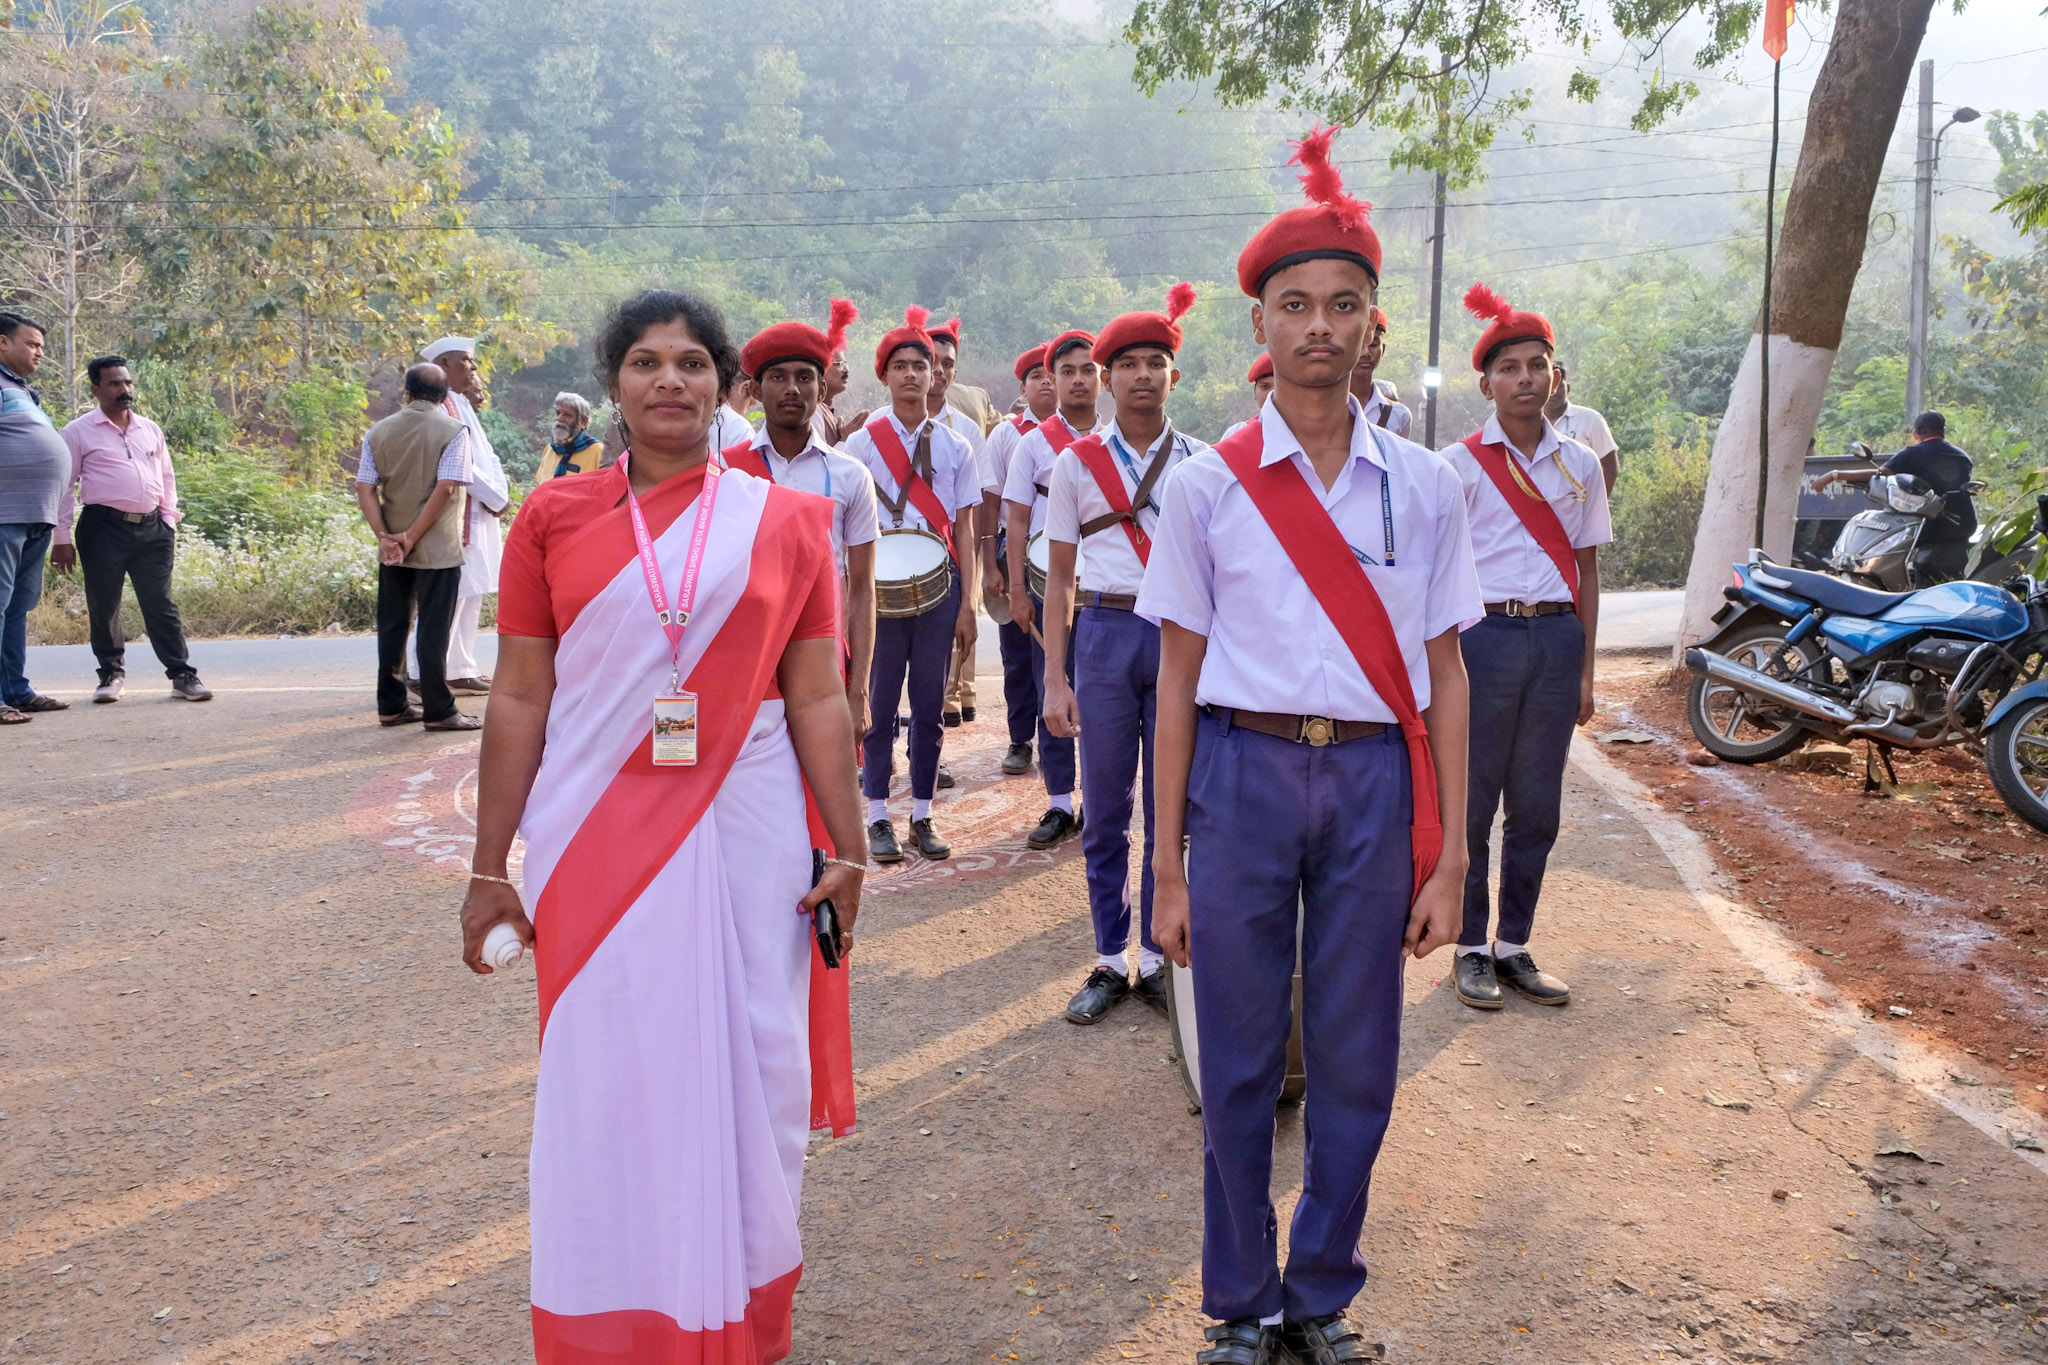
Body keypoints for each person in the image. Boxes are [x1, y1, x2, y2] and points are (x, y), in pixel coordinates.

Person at [460, 288, 862, 1365]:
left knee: (756, 1063)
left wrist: (851, 842)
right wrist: (489, 865)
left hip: (751, 831)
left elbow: (818, 694)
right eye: (645, 363)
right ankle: (615, 1320)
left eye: (690, 362)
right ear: (615, 387)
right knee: (608, 1069)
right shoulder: (553, 517)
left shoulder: (785, 523)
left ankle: (736, 1313)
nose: (668, 381)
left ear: (723, 385)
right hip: (593, 829)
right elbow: (518, 698)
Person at [1137, 126, 1478, 1365]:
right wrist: (1163, 866)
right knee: (1231, 1055)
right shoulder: (1204, 487)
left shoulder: (1427, 484)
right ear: (1261, 330)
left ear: (1372, 326)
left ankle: (1320, 1293)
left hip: (1377, 784)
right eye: (1295, 307)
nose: (1319, 327)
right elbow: (1173, 675)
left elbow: (1443, 672)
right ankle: (1237, 1301)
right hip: (1241, 770)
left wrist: (1448, 862)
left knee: (1356, 1051)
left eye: (1343, 306)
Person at [1441, 284, 1609, 1013]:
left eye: (1537, 365)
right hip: (1485, 638)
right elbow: (1436, 572)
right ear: (1486, 383)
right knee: (1474, 800)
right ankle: (1471, 946)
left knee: (1537, 803)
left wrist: (1586, 669)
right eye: (1509, 368)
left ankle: (1515, 944)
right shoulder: (1460, 463)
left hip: (1556, 636)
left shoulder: (1580, 462)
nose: (1525, 379)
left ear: (1555, 373)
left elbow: (1589, 569)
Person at [1040, 286, 1206, 1025]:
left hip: (1178, 638)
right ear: (1106, 378)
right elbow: (1061, 578)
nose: (1142, 375)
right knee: (1106, 807)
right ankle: (1111, 958)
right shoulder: (1075, 464)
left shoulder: (1204, 464)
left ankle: (1164, 953)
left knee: (1172, 806)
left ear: (1175, 375)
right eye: (1128, 364)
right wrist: (1055, 674)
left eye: (1156, 362)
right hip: (1103, 637)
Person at [845, 307, 980, 863]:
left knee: (929, 707)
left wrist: (968, 603)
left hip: (938, 587)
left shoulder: (956, 447)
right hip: (877, 591)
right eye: (899, 366)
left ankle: (922, 815)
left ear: (934, 374)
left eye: (919, 366)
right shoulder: (859, 445)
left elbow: (967, 529)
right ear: (885, 375)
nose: (910, 375)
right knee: (877, 703)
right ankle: (876, 814)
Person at [727, 300, 881, 742]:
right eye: (778, 377)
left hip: (824, 654)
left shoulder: (851, 476)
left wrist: (858, 692)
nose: (792, 388)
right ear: (755, 390)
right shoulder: (726, 472)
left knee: (822, 790)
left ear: (822, 388)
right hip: (746, 657)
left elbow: (863, 588)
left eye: (805, 377)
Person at [51, 356, 210, 703]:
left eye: (127, 383)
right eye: (114, 384)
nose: (124, 390)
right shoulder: (77, 431)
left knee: (161, 604)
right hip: (102, 528)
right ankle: (110, 674)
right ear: (96, 389)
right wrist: (60, 537)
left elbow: (166, 476)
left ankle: (182, 675)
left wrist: (168, 520)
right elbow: (64, 487)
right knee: (105, 603)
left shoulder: (149, 428)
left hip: (153, 529)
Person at [1002, 328, 1104, 849]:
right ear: (1053, 380)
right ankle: (1059, 802)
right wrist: (1018, 589)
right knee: (1054, 685)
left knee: (1104, 696)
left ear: (1101, 376)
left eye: (1088, 370)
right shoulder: (1033, 444)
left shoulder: (1116, 442)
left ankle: (1100, 800)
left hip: (1107, 589)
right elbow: (1016, 520)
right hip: (1049, 587)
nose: (1079, 380)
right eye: (1068, 372)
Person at [355, 362, 479, 732]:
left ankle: (391, 704)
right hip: (437, 548)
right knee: (433, 628)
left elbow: (365, 488)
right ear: (444, 398)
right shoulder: (454, 430)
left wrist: (386, 536)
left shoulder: (378, 432)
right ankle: (439, 710)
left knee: (393, 625)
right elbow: (447, 488)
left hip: (392, 548)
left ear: (406, 393)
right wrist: (413, 535)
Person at [417, 337, 511, 695]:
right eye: (465, 361)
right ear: (444, 365)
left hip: (480, 510)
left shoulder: (459, 403)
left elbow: (487, 456)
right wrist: (494, 496)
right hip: (460, 515)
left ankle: (459, 667)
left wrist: (499, 494)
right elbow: (461, 465)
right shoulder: (440, 408)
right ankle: (420, 671)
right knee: (450, 595)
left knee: (471, 593)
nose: (473, 368)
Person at [980, 343, 1055, 776]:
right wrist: (991, 566)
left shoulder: (1091, 432)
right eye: (1037, 377)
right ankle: (1020, 739)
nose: (1046, 383)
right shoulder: (1007, 434)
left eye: (1052, 375)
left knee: (1063, 653)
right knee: (1017, 653)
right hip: (1015, 552)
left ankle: (1056, 737)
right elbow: (991, 504)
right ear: (1023, 388)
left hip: (1069, 561)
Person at [0, 312, 72, 725]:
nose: (39, 353)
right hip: (5, 514)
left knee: (16, 607)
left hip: (34, 515)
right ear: (2, 343)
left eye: (42, 346)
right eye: (32, 344)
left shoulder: (23, 391)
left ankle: (16, 691)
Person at [1812, 410, 1977, 585]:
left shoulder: (1913, 453)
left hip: (1930, 526)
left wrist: (1835, 475)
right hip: (1963, 524)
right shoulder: (1962, 456)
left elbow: (1878, 474)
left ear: (1916, 433)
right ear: (1942, 431)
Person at [927, 317, 987, 731]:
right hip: (895, 559)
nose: (938, 372)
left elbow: (975, 503)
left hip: (951, 553)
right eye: (930, 361)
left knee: (947, 643)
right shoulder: (875, 431)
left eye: (947, 364)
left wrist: (979, 561)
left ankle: (936, 733)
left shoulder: (965, 432)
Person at [1544, 361, 1620, 494]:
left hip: (1582, 505)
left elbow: (1610, 466)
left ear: (1567, 388)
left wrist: (1598, 505)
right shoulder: (1529, 424)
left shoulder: (1590, 419)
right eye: (1548, 386)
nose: (1553, 392)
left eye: (1558, 386)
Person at [1349, 307, 1412, 437]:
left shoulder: (1399, 415)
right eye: (1359, 344)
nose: (1366, 353)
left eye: (1373, 344)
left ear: (1383, 349)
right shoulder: (1321, 410)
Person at [538, 391, 604, 482]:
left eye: (567, 415)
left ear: (583, 422)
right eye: (558, 413)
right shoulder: (550, 449)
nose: (559, 418)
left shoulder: (597, 451)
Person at [813, 348, 868, 447]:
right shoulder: (812, 411)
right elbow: (819, 461)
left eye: (845, 364)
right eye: (839, 363)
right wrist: (844, 439)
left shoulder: (824, 409)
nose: (846, 369)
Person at [1219, 353, 1275, 441]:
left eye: (1280, 387)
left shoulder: (1303, 434)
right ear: (1254, 392)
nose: (1271, 394)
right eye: (1265, 387)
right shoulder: (1236, 434)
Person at [712, 377, 756, 450]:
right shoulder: (741, 429)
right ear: (744, 387)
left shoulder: (696, 416)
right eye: (749, 403)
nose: (745, 412)